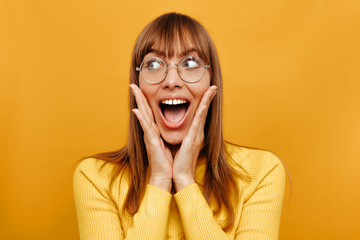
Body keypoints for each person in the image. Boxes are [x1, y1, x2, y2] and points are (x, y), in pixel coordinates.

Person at [73, 12, 286, 240]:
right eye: (153, 64)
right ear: (137, 84)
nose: (172, 81)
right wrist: (159, 180)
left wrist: (185, 180)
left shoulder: (261, 173)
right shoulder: (95, 178)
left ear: (212, 81)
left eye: (191, 63)